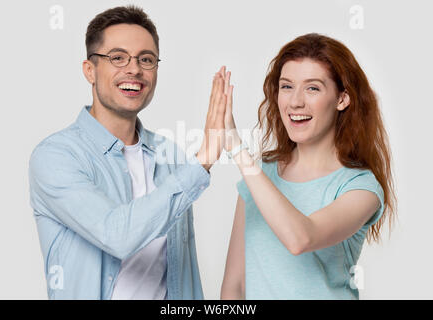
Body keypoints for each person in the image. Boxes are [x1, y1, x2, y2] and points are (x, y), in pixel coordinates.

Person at [28, 5, 229, 300]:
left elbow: (185, 272)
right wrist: (202, 162)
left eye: (146, 59)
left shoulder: (171, 157)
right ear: (90, 70)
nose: (134, 69)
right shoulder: (56, 156)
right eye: (118, 58)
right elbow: (116, 235)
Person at [220, 33, 396, 299]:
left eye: (312, 88)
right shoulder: (261, 172)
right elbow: (235, 284)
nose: (295, 102)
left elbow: (300, 238)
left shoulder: (361, 187)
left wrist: (236, 148)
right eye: (287, 86)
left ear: (342, 99)